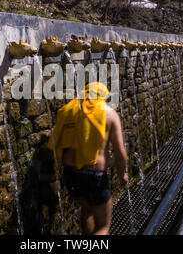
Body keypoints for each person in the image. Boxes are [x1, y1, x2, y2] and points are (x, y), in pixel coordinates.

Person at [47, 82, 128, 235]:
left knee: (87, 209)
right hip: (94, 177)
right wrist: (122, 173)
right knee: (103, 226)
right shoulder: (108, 114)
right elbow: (120, 151)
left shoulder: (70, 110)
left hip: (71, 174)